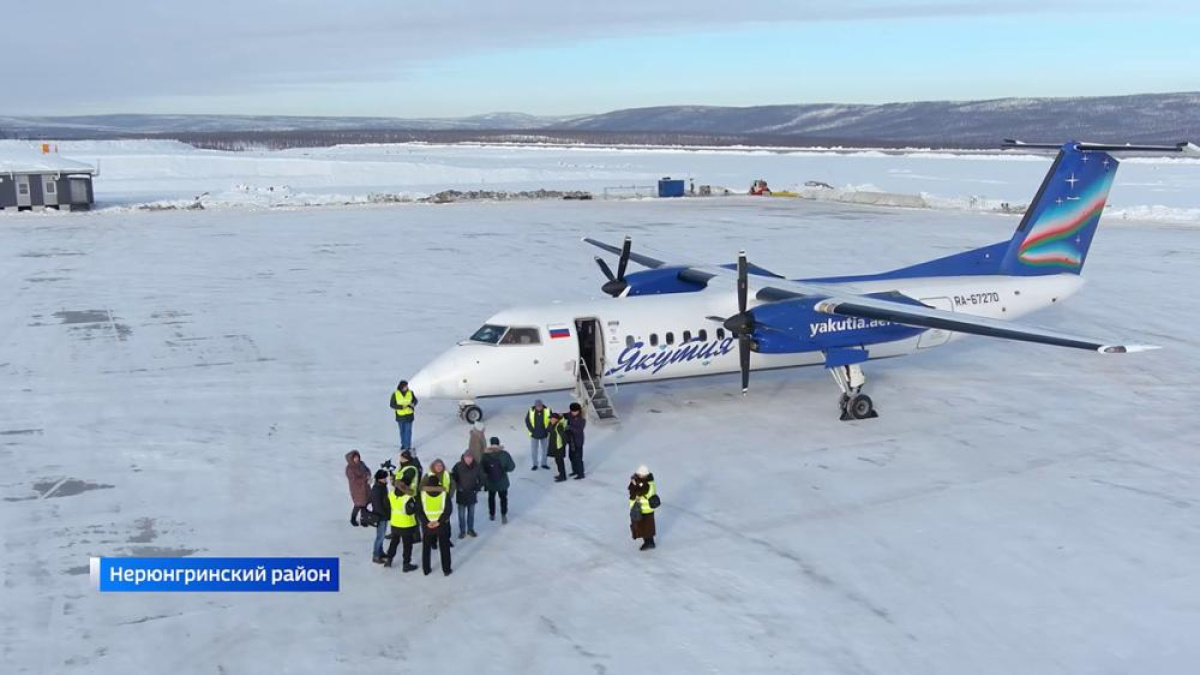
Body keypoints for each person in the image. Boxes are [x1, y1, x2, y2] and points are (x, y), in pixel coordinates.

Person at [418, 475, 453, 576]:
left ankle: (426, 568)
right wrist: (440, 521)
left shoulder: (422, 494)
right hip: (441, 525)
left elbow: (419, 510)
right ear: (438, 483)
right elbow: (448, 509)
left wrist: (426, 521)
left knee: (426, 548)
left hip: (427, 525)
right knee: (445, 548)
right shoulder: (444, 493)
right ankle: (446, 569)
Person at [385, 474, 420, 572]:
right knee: (407, 545)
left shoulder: (391, 494)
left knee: (394, 542)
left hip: (395, 523)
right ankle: (406, 564)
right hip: (406, 524)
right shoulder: (408, 497)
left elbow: (387, 505)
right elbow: (411, 511)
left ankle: (389, 559)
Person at [481, 437, 515, 524]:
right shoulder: (504, 454)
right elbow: (512, 467)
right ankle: (503, 515)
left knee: (491, 498)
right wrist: (504, 470)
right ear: (498, 443)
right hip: (502, 481)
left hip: (490, 482)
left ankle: (492, 514)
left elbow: (481, 469)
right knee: (503, 498)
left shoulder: (485, 455)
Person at [450, 450, 483, 539]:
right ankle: (462, 531)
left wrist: (477, 488)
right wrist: (457, 486)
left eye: (470, 457)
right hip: (461, 494)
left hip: (472, 493)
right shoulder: (458, 466)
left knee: (471, 514)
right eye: (467, 457)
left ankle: (470, 529)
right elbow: (452, 478)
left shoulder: (477, 467)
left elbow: (482, 478)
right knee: (461, 514)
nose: (468, 459)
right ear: (463, 458)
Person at [393, 450, 423, 543]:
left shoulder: (410, 469)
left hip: (408, 495)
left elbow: (404, 482)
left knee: (411, 516)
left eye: (402, 457)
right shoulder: (406, 466)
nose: (400, 459)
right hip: (406, 495)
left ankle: (415, 535)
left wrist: (394, 482)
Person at [629, 465, 658, 551]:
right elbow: (632, 489)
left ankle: (649, 542)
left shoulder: (648, 484)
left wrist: (636, 484)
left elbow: (640, 492)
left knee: (646, 527)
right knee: (643, 527)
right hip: (640, 509)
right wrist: (635, 483)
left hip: (646, 510)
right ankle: (648, 541)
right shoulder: (640, 481)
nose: (639, 476)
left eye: (641, 475)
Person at [368, 470, 391, 563]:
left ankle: (380, 552)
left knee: (381, 535)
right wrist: (385, 515)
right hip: (380, 516)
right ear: (379, 479)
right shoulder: (377, 489)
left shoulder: (382, 486)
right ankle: (376, 555)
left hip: (383, 515)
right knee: (380, 537)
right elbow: (378, 505)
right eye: (384, 478)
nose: (386, 479)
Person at [344, 450, 371, 527]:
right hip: (357, 489)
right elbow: (354, 479)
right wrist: (365, 477)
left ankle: (363, 520)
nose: (357, 459)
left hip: (365, 487)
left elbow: (367, 470)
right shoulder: (349, 468)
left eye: (357, 457)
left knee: (364, 504)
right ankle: (353, 518)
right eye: (355, 458)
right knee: (358, 505)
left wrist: (368, 475)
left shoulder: (361, 464)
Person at [390, 380, 418, 451]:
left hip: (409, 416)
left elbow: (415, 400)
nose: (407, 387)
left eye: (407, 386)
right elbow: (392, 404)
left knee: (408, 431)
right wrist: (401, 407)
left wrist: (413, 404)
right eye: (405, 386)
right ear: (401, 387)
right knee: (402, 431)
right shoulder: (395, 394)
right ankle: (403, 444)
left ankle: (407, 447)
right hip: (400, 417)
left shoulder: (410, 393)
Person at [526, 399, 551, 470]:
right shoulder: (531, 411)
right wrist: (532, 430)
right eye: (537, 406)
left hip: (544, 434)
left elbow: (551, 420)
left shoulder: (547, 410)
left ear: (542, 405)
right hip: (534, 435)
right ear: (535, 406)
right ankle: (535, 464)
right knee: (534, 451)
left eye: (540, 406)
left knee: (545, 450)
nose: (539, 407)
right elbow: (527, 421)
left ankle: (544, 464)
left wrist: (548, 430)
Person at [566, 402, 587, 480]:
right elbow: (565, 415)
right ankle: (575, 471)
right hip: (571, 441)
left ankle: (581, 473)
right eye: (572, 411)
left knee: (578, 458)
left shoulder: (582, 418)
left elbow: (579, 430)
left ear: (579, 411)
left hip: (578, 441)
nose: (574, 413)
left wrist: (570, 427)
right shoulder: (570, 415)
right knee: (571, 457)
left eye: (575, 411)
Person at [547, 413, 569, 482]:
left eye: (552, 418)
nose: (550, 419)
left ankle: (563, 476)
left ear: (556, 419)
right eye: (550, 418)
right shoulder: (553, 425)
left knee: (560, 462)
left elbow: (564, 437)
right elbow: (548, 429)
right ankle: (561, 474)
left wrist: (563, 445)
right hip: (555, 447)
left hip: (559, 448)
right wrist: (550, 423)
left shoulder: (559, 426)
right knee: (557, 462)